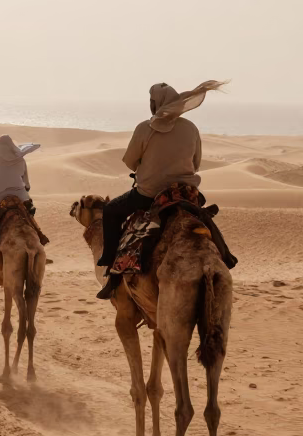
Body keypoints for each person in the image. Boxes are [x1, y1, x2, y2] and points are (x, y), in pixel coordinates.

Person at [96, 79, 224, 298]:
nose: (150, 104)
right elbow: (196, 163)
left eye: (151, 101)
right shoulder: (191, 128)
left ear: (156, 103)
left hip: (149, 194)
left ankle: (110, 265)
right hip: (185, 193)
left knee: (110, 211)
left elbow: (130, 161)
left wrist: (147, 167)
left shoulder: (145, 128)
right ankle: (225, 256)